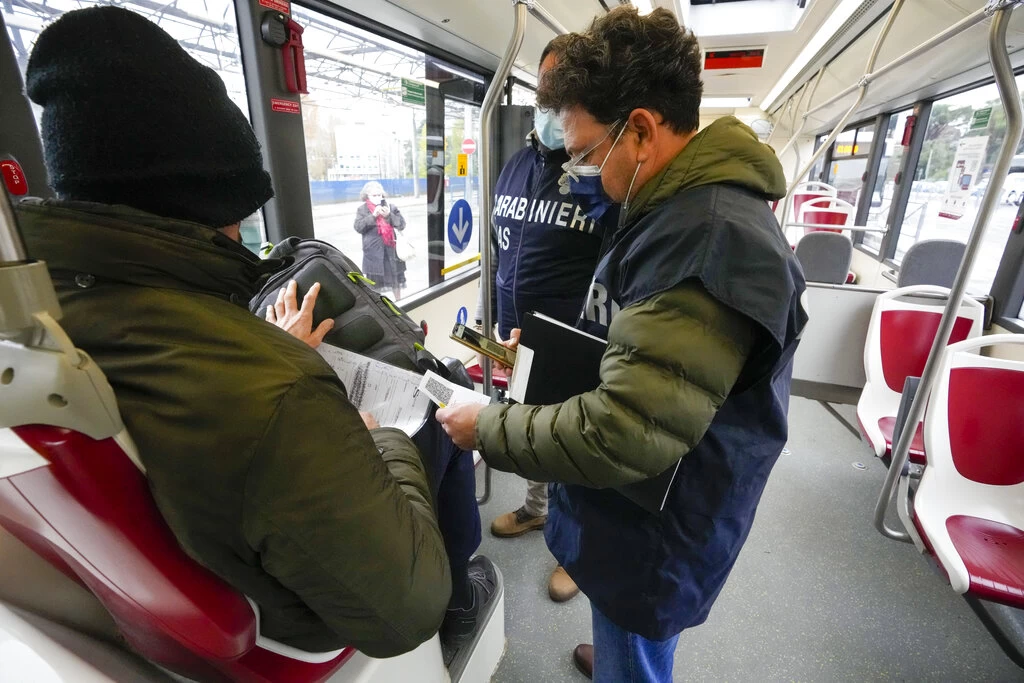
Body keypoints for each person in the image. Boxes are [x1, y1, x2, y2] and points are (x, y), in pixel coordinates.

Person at [16, 6, 494, 659]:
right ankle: (465, 595)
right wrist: (372, 432)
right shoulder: (271, 394)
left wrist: (276, 351)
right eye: (229, 221)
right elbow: (407, 608)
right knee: (441, 405)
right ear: (184, 207)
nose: (240, 237)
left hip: (202, 574)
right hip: (303, 614)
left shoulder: (64, 303)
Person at [438, 7, 807, 682]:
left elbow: (629, 431)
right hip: (641, 502)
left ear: (640, 130)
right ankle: (621, 652)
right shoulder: (670, 207)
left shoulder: (707, 238)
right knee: (624, 629)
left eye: (583, 154)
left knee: (636, 637)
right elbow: (643, 346)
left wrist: (489, 427)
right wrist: (548, 356)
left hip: (662, 518)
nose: (578, 171)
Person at [476, 35, 612, 604]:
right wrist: (490, 327)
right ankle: (537, 509)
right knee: (530, 432)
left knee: (576, 450)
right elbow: (502, 251)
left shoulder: (600, 175)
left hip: (576, 345)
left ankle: (580, 557)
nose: (551, 104)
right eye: (544, 89)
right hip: (515, 337)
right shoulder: (515, 166)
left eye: (562, 92)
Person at [355, 181, 406, 300]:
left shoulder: (390, 207)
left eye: (380, 195)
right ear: (367, 196)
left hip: (391, 252)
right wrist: (372, 216)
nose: (378, 198)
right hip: (373, 255)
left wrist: (389, 216)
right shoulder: (362, 210)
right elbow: (358, 227)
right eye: (374, 195)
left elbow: (401, 224)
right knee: (374, 286)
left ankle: (399, 303)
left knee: (395, 282)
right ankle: (378, 308)